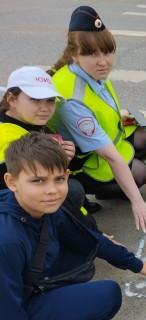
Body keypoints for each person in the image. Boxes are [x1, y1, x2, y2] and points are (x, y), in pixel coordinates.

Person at [0, 133, 146, 320]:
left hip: (23, 287)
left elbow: (88, 239)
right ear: (12, 182)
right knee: (105, 296)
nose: (51, 190)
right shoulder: (7, 239)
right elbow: (7, 317)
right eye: (38, 181)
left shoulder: (45, 206)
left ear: (67, 176)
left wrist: (135, 264)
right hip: (6, 310)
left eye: (58, 179)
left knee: (93, 278)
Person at [46, 5, 146, 233]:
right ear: (74, 54)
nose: (103, 61)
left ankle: (118, 182)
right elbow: (109, 155)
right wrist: (138, 202)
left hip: (98, 141)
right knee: (140, 173)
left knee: (145, 136)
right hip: (81, 162)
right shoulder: (73, 98)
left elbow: (99, 105)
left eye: (107, 52)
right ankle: (93, 189)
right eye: (92, 54)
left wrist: (121, 117)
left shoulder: (89, 70)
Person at [0, 65, 99, 231]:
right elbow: (16, 192)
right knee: (71, 190)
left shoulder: (25, 121)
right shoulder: (8, 137)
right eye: (35, 99)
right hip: (11, 213)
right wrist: (94, 233)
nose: (45, 108)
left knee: (70, 188)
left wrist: (65, 158)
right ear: (11, 99)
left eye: (50, 100)